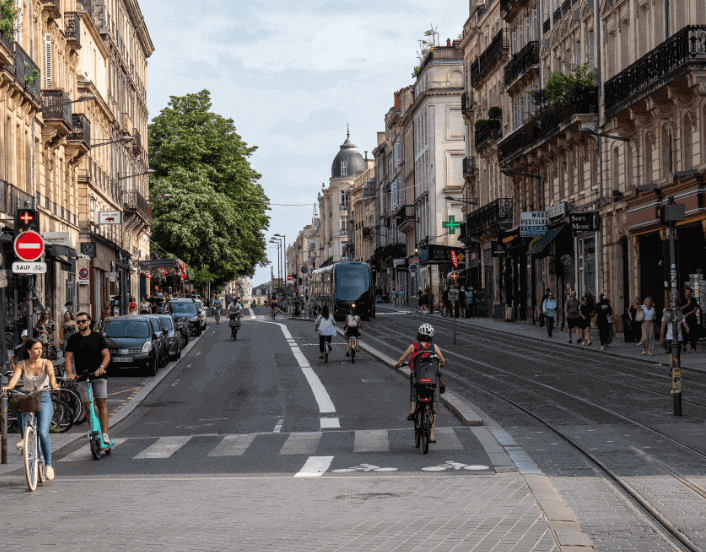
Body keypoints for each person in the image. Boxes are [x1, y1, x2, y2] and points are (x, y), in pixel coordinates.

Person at [2, 338, 60, 480]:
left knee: (43, 433)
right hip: (28, 397)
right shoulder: (21, 364)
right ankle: (25, 437)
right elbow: (15, 378)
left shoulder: (47, 363)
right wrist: (9, 386)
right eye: (36, 349)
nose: (40, 351)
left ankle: (48, 465)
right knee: (21, 407)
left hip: (44, 398)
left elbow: (52, 375)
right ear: (29, 350)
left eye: (41, 348)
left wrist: (53, 384)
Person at [64, 312, 112, 445]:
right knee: (87, 406)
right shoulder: (74, 339)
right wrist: (69, 373)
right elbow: (68, 358)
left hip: (98, 375)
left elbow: (106, 355)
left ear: (89, 322)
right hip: (82, 376)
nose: (80, 324)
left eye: (83, 321)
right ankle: (94, 431)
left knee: (101, 403)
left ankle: (105, 434)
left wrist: (101, 367)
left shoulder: (97, 337)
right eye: (78, 322)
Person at [393, 323, 445, 443]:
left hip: (418, 379)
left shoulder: (413, 346)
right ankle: (431, 435)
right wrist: (439, 365)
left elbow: (402, 359)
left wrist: (397, 365)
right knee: (432, 407)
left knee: (414, 390)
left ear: (419, 334)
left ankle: (413, 410)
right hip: (432, 381)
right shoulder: (434, 347)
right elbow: (442, 360)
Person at [681, 287, 700, 353]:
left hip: (692, 318)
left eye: (689, 292)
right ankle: (684, 345)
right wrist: (687, 304)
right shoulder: (682, 299)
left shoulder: (693, 299)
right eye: (687, 292)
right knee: (685, 332)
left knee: (693, 332)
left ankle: (693, 347)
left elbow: (695, 309)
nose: (688, 293)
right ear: (685, 292)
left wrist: (688, 314)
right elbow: (680, 308)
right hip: (684, 318)